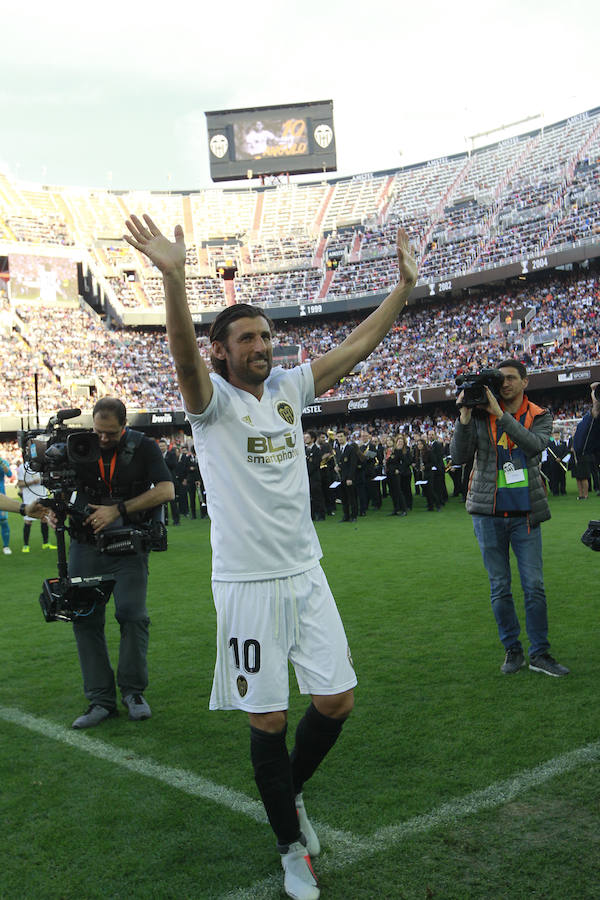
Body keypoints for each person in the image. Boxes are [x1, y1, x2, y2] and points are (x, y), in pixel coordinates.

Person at [124, 213, 417, 900]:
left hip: (307, 576)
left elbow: (357, 346)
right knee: (268, 720)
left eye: (265, 336)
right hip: (247, 587)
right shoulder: (213, 403)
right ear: (222, 352)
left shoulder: (289, 390)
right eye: (247, 338)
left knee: (337, 700)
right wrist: (173, 277)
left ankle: (289, 796)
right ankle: (291, 847)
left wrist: (402, 291)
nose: (261, 345)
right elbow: (181, 358)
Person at [450, 359, 569, 677]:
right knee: (500, 586)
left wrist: (499, 415)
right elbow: (459, 457)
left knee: (534, 586)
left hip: (524, 512)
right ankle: (513, 649)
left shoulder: (539, 415)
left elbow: (533, 446)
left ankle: (540, 653)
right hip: (488, 513)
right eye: (500, 379)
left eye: (511, 378)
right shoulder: (477, 414)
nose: (505, 384)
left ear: (525, 382)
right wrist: (464, 415)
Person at [67, 397, 174, 729]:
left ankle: (133, 693)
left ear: (124, 427)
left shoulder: (143, 447)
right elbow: (59, 488)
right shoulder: (78, 445)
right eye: (98, 432)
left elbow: (167, 490)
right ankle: (100, 700)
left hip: (129, 545)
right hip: (86, 546)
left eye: (110, 434)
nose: (102, 440)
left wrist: (118, 509)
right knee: (85, 620)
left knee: (132, 616)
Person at [16, 459, 56, 553]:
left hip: (42, 495)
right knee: (28, 520)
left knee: (44, 518)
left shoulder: (43, 464)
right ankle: (26, 545)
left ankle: (45, 543)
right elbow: (20, 484)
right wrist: (33, 482)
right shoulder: (23, 467)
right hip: (29, 497)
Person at [0, 455, 13, 554]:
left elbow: (9, 474)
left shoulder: (2, 461)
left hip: (1, 497)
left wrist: (2, 464)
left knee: (3, 521)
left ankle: (6, 546)